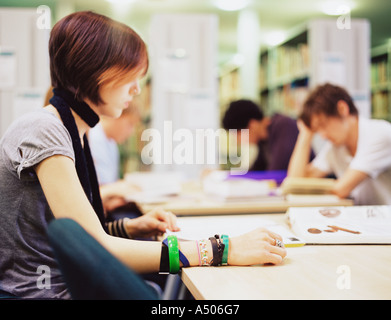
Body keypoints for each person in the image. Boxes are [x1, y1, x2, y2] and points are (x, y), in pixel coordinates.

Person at [0, 11, 286, 299]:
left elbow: (76, 237)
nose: (137, 89)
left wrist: (131, 227)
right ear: (97, 71)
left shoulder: (71, 130)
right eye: (131, 75)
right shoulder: (45, 129)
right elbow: (97, 247)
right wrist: (222, 248)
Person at [287, 83, 391, 205]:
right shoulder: (336, 146)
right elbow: (295, 183)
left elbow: (341, 189)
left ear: (342, 109)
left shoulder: (380, 133)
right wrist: (305, 135)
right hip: (366, 218)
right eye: (317, 130)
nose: (323, 135)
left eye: (323, 125)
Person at [222, 99, 310, 172]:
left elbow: (275, 171)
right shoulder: (263, 139)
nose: (237, 141)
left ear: (252, 125)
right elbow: (256, 171)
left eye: (237, 134)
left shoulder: (283, 126)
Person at [88, 101, 142, 216]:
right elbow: (99, 192)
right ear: (118, 116)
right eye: (130, 124)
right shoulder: (93, 139)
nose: (131, 132)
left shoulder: (111, 142)